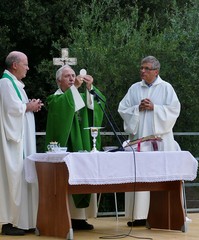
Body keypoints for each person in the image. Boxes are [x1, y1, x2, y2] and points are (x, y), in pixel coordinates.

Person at [118, 55, 181, 227]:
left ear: (156, 71)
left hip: (160, 141)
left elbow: (174, 110)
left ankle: (162, 213)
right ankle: (138, 216)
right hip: (140, 140)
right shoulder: (134, 89)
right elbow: (122, 108)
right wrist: (137, 109)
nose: (142, 71)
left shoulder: (166, 88)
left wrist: (155, 108)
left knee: (159, 175)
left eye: (146, 68)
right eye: (141, 68)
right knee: (140, 175)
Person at [45, 65, 105, 230]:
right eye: (67, 76)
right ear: (58, 81)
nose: (72, 78)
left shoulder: (78, 96)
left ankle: (81, 217)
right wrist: (76, 88)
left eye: (73, 75)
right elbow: (62, 110)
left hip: (83, 143)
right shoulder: (54, 99)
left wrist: (90, 88)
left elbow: (97, 106)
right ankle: (64, 216)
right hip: (66, 146)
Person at [0, 51, 43, 235]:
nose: (28, 67)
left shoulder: (15, 84)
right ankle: (9, 223)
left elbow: (18, 107)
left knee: (20, 178)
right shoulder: (5, 83)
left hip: (20, 143)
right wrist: (29, 106)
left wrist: (29, 105)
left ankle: (23, 221)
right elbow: (11, 109)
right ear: (15, 65)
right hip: (12, 144)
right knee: (12, 180)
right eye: (25, 64)